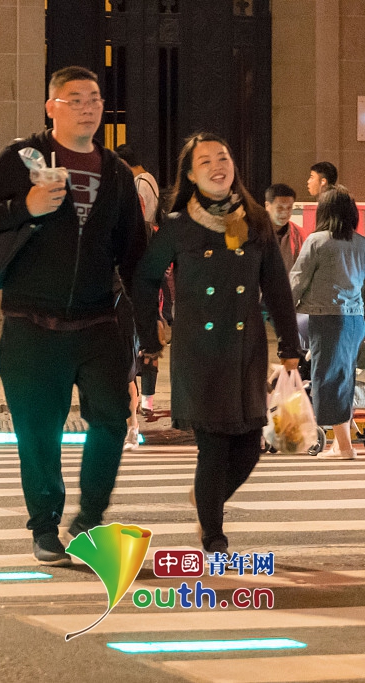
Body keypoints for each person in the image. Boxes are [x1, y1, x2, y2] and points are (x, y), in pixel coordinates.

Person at [0, 66, 146, 565]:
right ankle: (45, 528)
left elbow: (133, 252)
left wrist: (148, 326)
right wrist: (25, 205)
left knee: (111, 420)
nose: (87, 107)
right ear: (52, 107)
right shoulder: (23, 156)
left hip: (98, 321)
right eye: (75, 99)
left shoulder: (117, 173)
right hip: (31, 322)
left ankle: (89, 518)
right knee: (39, 433)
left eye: (94, 99)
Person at [133, 132, 302, 554]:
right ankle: (214, 535)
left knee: (248, 449)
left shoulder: (256, 220)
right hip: (200, 351)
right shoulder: (177, 225)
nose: (216, 166)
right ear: (191, 175)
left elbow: (276, 287)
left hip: (246, 350)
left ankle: (206, 499)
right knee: (213, 447)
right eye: (204, 161)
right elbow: (145, 279)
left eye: (222, 157)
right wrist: (150, 334)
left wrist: (290, 345)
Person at [289, 186, 365, 460]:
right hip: (356, 319)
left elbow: (298, 279)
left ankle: (344, 446)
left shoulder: (317, 241)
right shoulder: (361, 242)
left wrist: (284, 310)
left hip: (327, 317)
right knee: (344, 378)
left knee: (328, 379)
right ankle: (340, 444)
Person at [115, 143, 167, 436]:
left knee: (133, 358)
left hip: (131, 298)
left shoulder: (144, 229)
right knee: (128, 360)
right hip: (122, 298)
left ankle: (137, 414)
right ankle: (134, 415)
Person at [265, 183, 302, 275]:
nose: (285, 212)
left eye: (289, 208)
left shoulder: (299, 234)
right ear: (267, 206)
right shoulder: (255, 232)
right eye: (280, 208)